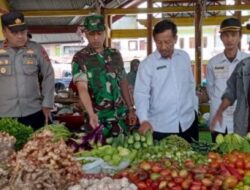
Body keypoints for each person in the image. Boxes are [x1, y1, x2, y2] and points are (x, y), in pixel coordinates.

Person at [72, 14, 137, 137]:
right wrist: (91, 114)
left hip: (120, 118)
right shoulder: (80, 58)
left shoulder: (115, 54)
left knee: (123, 152)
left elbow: (123, 82)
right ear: (85, 33)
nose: (96, 38)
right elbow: (82, 88)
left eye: (99, 33)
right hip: (97, 119)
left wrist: (130, 108)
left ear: (105, 33)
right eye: (91, 34)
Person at [134, 19, 198, 143]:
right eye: (159, 43)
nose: (163, 47)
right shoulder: (147, 64)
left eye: (167, 42)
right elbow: (141, 94)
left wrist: (195, 108)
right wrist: (144, 120)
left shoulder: (184, 57)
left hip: (188, 122)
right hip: (161, 127)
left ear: (175, 39)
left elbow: (190, 84)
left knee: (193, 160)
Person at [0, 11, 55, 130]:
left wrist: (47, 103)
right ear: (4, 32)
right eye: (14, 32)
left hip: (34, 111)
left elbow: (48, 75)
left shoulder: (36, 48)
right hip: (4, 114)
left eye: (23, 31)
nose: (20, 36)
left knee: (37, 146)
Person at [206, 18, 249, 142]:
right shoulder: (213, 63)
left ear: (240, 36)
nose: (230, 39)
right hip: (219, 121)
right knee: (218, 157)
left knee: (242, 158)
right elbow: (211, 90)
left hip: (242, 120)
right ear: (221, 38)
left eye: (233, 35)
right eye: (226, 35)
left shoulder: (247, 61)